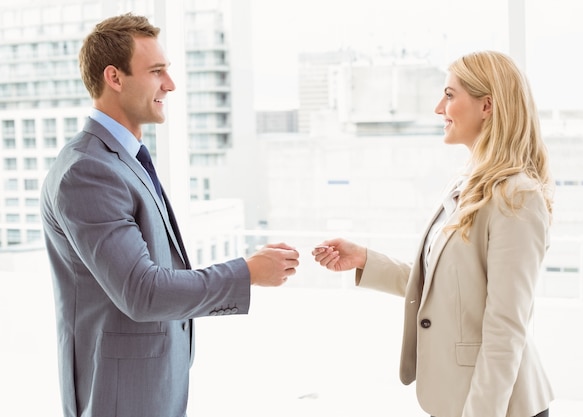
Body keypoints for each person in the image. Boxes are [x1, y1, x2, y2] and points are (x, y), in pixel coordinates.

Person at [40, 13, 299, 417]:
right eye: (157, 71)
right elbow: (143, 292)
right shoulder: (87, 171)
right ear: (115, 77)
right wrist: (247, 272)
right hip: (118, 398)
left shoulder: (123, 160)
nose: (171, 85)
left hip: (151, 386)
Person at [312, 50, 554, 417]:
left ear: (487, 106)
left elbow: (506, 325)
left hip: (499, 407)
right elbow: (445, 286)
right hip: (458, 397)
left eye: (450, 94)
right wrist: (364, 259)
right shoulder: (468, 183)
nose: (439, 107)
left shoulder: (516, 196)